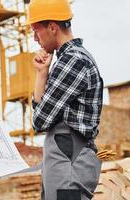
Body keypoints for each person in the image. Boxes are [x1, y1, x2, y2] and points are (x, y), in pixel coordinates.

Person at [25, 0, 104, 199]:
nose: (35, 38)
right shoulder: (67, 59)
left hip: (69, 157)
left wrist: (40, 110)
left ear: (52, 27)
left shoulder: (73, 60)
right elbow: (41, 111)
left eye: (36, 31)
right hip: (66, 156)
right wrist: (42, 74)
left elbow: (39, 120)